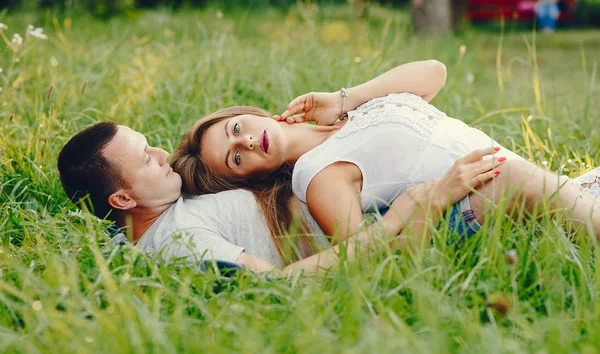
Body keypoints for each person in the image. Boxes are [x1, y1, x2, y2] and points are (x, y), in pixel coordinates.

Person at [172, 60, 600, 245]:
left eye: (236, 129)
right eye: (236, 158)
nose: (245, 141)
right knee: (519, 178)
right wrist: (434, 197)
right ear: (250, 177)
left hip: (510, 173)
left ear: (250, 115)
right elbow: (361, 253)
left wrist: (347, 98)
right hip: (472, 203)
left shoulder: (340, 113)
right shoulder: (317, 177)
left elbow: (433, 73)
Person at [57, 121, 500, 276]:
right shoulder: (178, 242)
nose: (160, 154)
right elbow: (282, 284)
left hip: (372, 196)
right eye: (145, 159)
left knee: (550, 188)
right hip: (395, 232)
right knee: (510, 181)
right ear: (122, 198)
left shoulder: (142, 226)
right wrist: (404, 216)